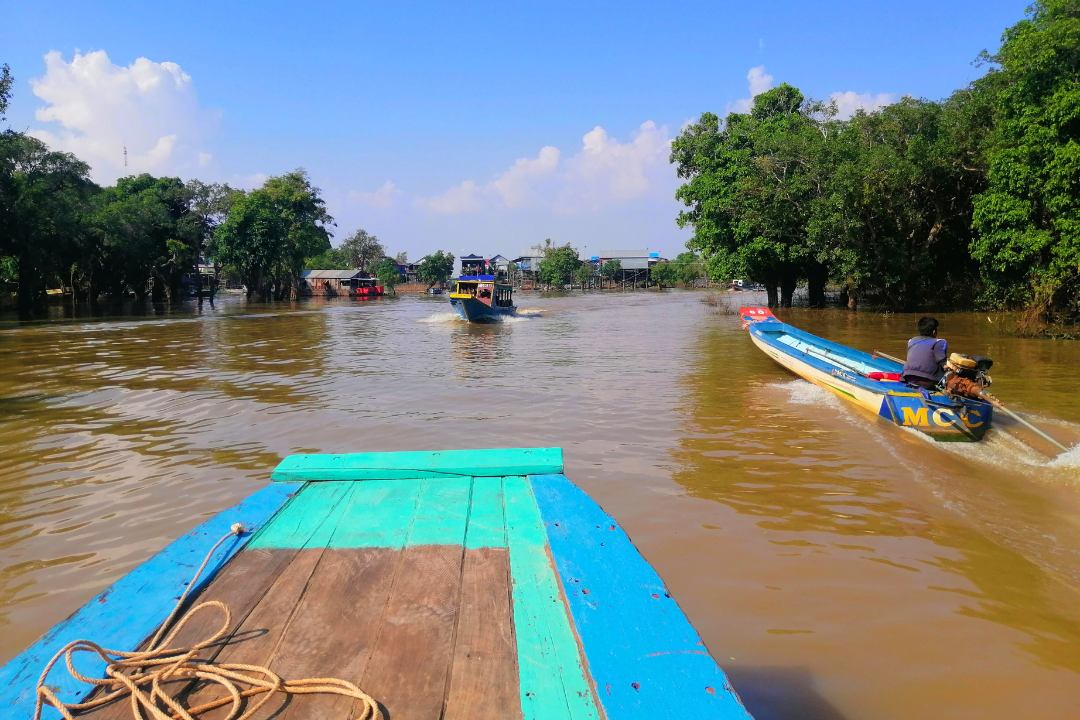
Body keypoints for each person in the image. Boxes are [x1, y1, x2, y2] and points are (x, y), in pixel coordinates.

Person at [902, 316, 948, 389]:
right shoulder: (939, 342)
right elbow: (943, 364)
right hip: (928, 382)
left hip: (908, 378)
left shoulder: (911, 341)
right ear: (934, 331)